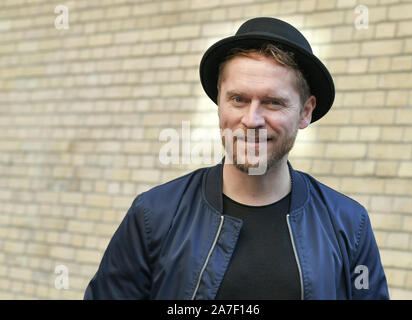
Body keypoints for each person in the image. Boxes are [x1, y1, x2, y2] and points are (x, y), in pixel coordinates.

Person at [84, 17, 389, 300]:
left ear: (305, 112)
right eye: (238, 99)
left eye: (273, 102)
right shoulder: (154, 215)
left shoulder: (349, 224)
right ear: (219, 102)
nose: (252, 120)